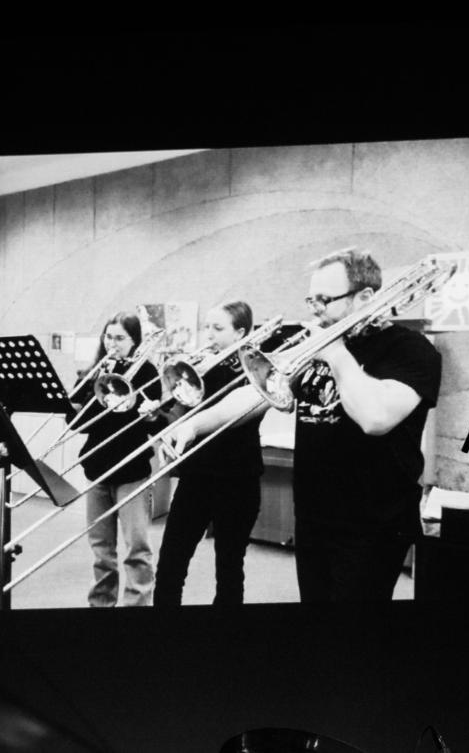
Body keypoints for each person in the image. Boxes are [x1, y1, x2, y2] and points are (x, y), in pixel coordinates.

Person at [170, 248, 441, 602]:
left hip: (373, 525)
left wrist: (337, 352)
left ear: (365, 297)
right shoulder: (312, 349)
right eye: (311, 300)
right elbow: (253, 396)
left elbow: (375, 418)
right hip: (314, 518)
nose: (315, 310)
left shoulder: (410, 349)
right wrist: (193, 425)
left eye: (325, 300)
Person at [154, 301, 268, 606]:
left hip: (239, 480)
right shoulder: (199, 368)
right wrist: (164, 404)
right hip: (196, 478)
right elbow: (179, 420)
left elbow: (242, 412)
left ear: (240, 332)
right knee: (170, 564)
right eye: (207, 327)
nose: (209, 335)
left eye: (217, 328)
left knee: (229, 568)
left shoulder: (255, 370)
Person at [69, 312, 164, 607]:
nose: (112, 343)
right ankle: (101, 603)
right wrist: (88, 389)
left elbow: (155, 425)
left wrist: (152, 415)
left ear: (134, 341)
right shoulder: (93, 372)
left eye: (120, 338)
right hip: (97, 468)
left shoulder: (147, 372)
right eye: (108, 337)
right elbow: (77, 424)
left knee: (137, 547)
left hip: (131, 470)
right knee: (101, 549)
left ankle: (136, 607)